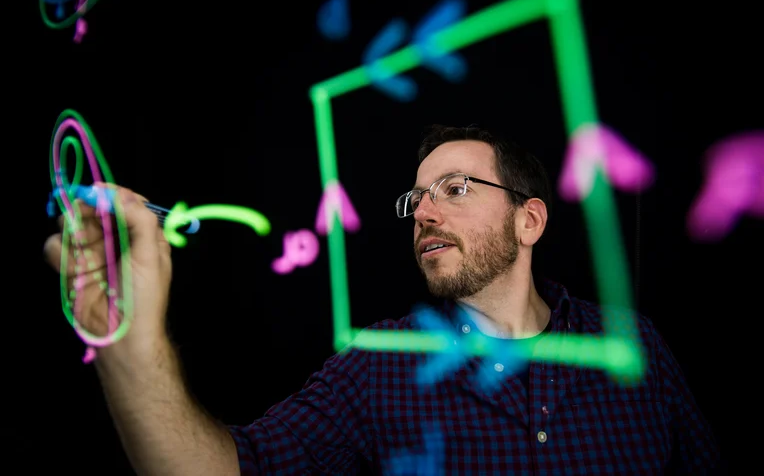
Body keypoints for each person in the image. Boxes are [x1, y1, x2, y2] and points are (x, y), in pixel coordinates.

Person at [44, 125, 722, 475]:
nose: (424, 213)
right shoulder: (377, 368)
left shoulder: (635, 347)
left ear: (530, 221)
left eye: (455, 188)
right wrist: (127, 346)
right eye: (417, 199)